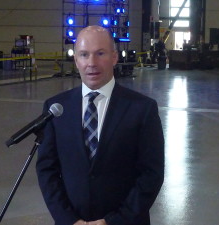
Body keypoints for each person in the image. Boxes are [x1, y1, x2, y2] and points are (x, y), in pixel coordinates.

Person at [36, 25, 165, 225]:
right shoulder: (56, 108)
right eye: (84, 55)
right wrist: (68, 220)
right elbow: (47, 170)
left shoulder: (142, 109)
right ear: (76, 60)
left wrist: (113, 221)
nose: (92, 63)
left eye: (100, 53)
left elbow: (151, 174)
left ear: (114, 57)